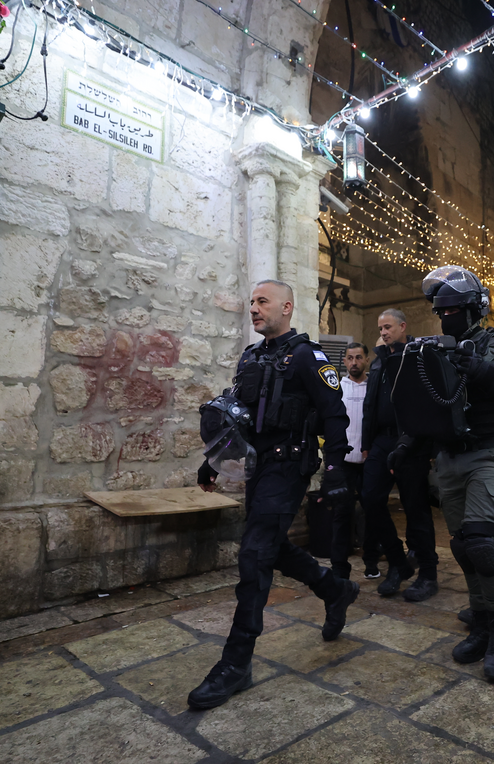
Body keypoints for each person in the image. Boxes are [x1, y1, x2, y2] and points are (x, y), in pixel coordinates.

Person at [187, 280, 359, 709]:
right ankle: (333, 589)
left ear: (286, 306)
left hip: (290, 464)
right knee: (268, 548)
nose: (254, 308)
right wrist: (214, 460)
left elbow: (335, 414)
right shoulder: (252, 357)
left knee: (253, 554)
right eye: (251, 302)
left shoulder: (308, 355)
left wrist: (336, 468)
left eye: (262, 302)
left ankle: (236, 662)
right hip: (259, 467)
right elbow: (240, 417)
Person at [408, 265, 494, 681]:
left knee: (485, 543)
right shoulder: (439, 348)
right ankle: (483, 623)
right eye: (441, 311)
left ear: (474, 309)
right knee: (465, 547)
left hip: (489, 454)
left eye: (453, 310)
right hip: (449, 459)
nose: (446, 317)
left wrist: (484, 370)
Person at [360, 309, 439, 601]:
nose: (383, 332)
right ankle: (397, 562)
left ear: (403, 326)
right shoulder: (379, 362)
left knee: (415, 507)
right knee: (369, 498)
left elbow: (427, 403)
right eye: (380, 328)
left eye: (388, 327)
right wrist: (366, 443)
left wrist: (425, 446)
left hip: (412, 442)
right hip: (381, 440)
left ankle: (428, 573)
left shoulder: (417, 357)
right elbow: (371, 404)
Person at [329, 343, 377, 579]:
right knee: (342, 512)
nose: (354, 362)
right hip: (345, 460)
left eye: (359, 357)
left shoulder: (374, 386)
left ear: (366, 359)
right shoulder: (338, 387)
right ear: (345, 361)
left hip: (369, 459)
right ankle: (338, 564)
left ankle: (371, 561)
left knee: (371, 512)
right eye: (350, 358)